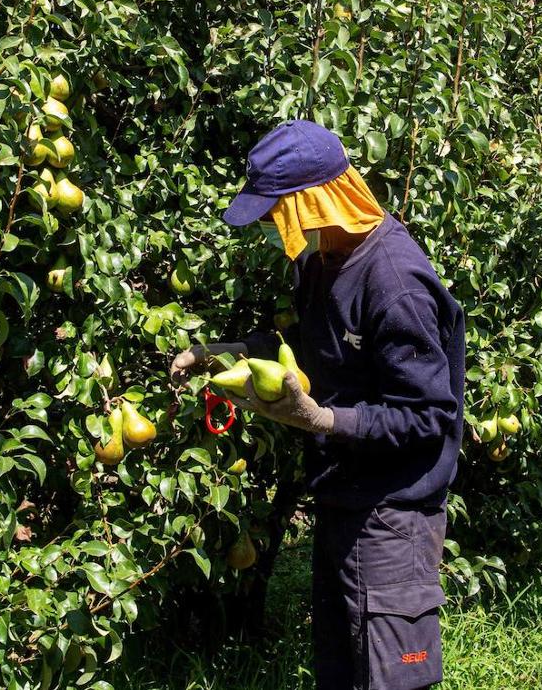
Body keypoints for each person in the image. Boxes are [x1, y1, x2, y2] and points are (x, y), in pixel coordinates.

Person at [170, 120, 464, 689]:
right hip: (340, 500)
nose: (274, 227)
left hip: (393, 514)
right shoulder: (319, 261)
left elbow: (429, 416)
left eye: (278, 211)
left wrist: (323, 419)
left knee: (392, 680)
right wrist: (216, 354)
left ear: (313, 201)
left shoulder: (395, 281)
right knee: (341, 671)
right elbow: (303, 352)